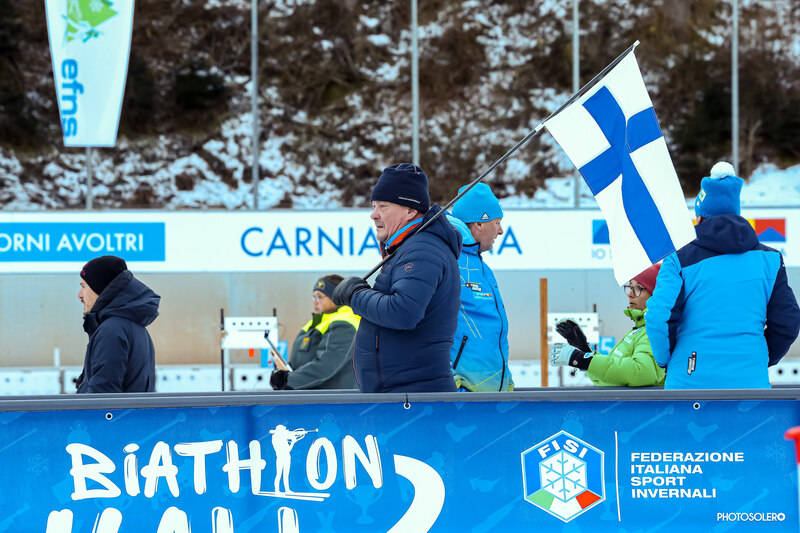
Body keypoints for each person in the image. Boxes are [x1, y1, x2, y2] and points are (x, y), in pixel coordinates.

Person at [646, 161, 800, 389]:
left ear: (700, 215)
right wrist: (759, 359)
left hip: (688, 382)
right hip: (751, 384)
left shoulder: (679, 259)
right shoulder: (771, 260)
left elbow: (659, 316)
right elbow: (788, 322)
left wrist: (666, 360)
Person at [332, 163, 462, 392]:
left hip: (416, 396)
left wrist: (355, 295)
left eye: (383, 206)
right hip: (404, 394)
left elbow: (402, 312)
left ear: (410, 211)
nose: (373, 215)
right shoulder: (411, 247)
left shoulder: (422, 249)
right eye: (374, 206)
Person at [550, 264, 665, 387]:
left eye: (638, 288)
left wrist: (581, 359)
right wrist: (584, 350)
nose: (630, 294)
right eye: (630, 287)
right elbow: (607, 379)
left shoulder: (655, 331)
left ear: (655, 294)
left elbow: (641, 372)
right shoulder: (638, 331)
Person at [447, 183, 513, 391]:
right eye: (497, 223)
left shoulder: (482, 267)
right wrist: (451, 384)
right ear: (479, 224)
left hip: (491, 396)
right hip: (465, 399)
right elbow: (426, 325)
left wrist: (506, 381)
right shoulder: (450, 262)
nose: (501, 231)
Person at [76, 255, 160, 393]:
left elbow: (103, 396)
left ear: (100, 289)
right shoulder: (135, 327)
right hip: (132, 408)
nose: (79, 295)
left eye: (84, 286)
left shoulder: (112, 331)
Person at [270, 275, 359, 390]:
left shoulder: (343, 324)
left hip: (329, 398)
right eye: (314, 297)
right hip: (312, 395)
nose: (315, 302)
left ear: (336, 298)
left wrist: (289, 381)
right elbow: (302, 360)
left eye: (320, 297)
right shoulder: (317, 322)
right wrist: (283, 374)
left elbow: (326, 365)